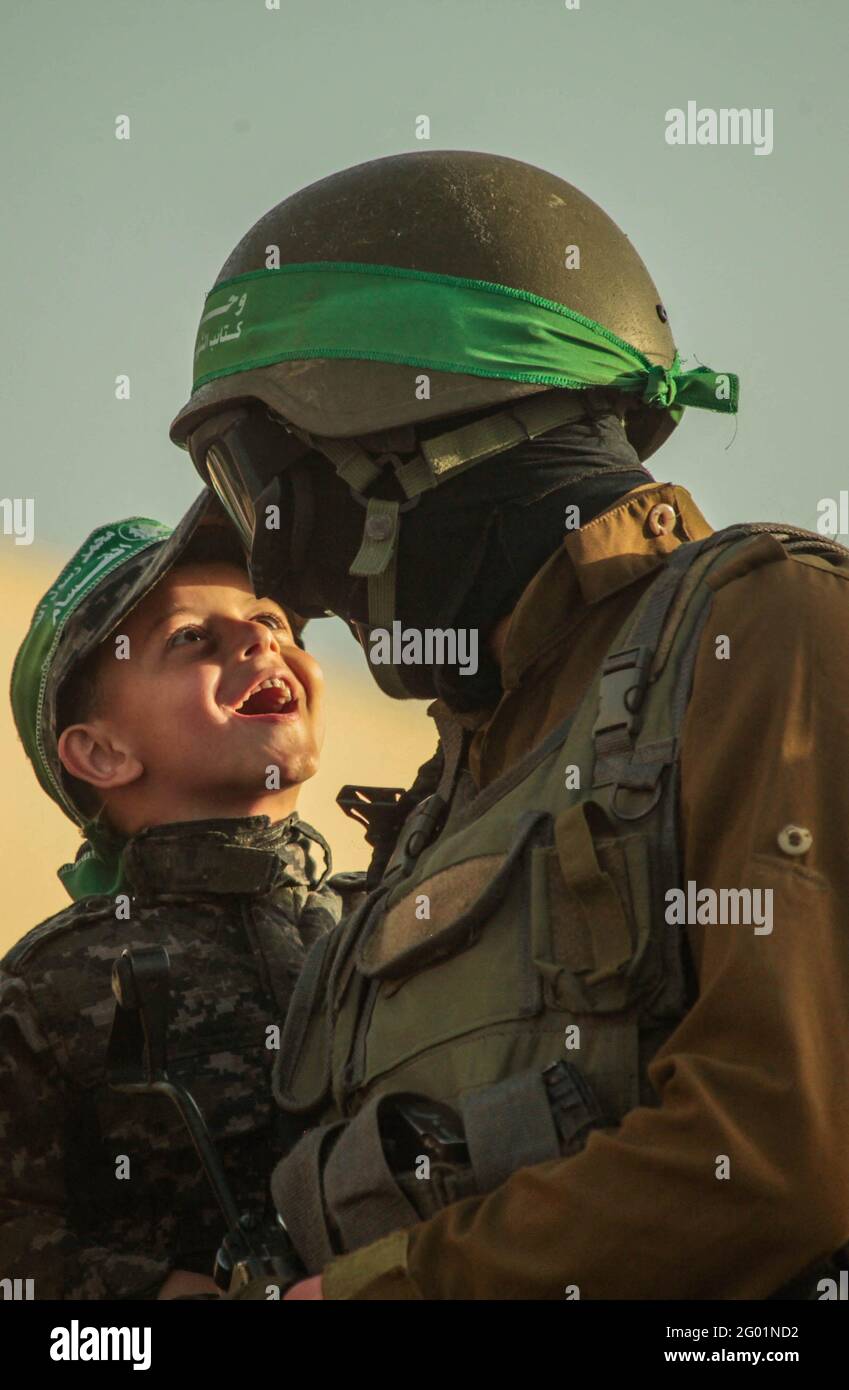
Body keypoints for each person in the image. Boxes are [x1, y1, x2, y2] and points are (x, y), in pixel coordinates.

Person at [168, 150, 849, 1300]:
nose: (287, 574)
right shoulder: (459, 783)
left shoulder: (765, 631)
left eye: (278, 494)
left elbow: (784, 1151)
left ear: (436, 443)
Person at [0, 493, 362, 1299]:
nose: (261, 637)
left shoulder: (397, 915)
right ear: (100, 753)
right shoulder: (49, 987)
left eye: (273, 619)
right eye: (192, 638)